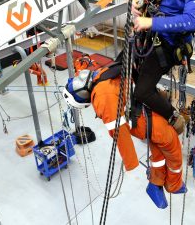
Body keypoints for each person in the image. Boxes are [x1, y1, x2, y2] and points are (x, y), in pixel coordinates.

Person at [62, 57, 187, 209]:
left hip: (142, 107)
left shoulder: (99, 76)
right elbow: (118, 130)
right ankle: (174, 185)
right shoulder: (102, 95)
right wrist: (131, 162)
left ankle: (156, 184)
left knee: (159, 152)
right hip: (143, 120)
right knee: (173, 148)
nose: (80, 78)